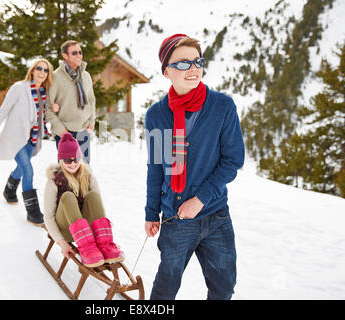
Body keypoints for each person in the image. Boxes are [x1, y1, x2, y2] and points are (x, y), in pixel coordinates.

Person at [144, 34, 245, 300]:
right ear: (166, 71)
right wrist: (151, 212)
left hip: (216, 215)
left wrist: (200, 199)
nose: (193, 69)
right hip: (176, 218)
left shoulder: (222, 106)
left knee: (223, 287)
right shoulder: (157, 115)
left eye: (197, 61)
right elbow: (156, 167)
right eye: (182, 63)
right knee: (166, 287)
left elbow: (232, 160)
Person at [0, 58, 54, 226]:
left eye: (45, 70)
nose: (42, 72)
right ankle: (32, 213)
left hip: (32, 139)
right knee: (28, 171)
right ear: (32, 70)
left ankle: (9, 190)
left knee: (22, 167)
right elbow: (3, 110)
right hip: (16, 138)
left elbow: (43, 116)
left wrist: (54, 109)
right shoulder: (19, 88)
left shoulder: (44, 94)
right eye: (39, 68)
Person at [43, 132, 124, 267]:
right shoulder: (54, 181)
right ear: (61, 161)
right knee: (68, 196)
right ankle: (86, 249)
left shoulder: (88, 176)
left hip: (87, 229)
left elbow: (96, 206)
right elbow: (48, 217)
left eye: (76, 159)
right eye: (67, 160)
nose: (73, 164)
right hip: (66, 229)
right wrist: (62, 243)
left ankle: (105, 244)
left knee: (93, 196)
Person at [46, 40, 96, 164]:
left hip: (83, 131)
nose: (79, 55)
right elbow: (48, 108)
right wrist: (62, 132)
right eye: (74, 53)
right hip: (65, 133)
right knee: (67, 173)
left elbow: (91, 100)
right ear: (65, 56)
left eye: (80, 52)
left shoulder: (86, 76)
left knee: (85, 171)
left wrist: (91, 121)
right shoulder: (55, 77)